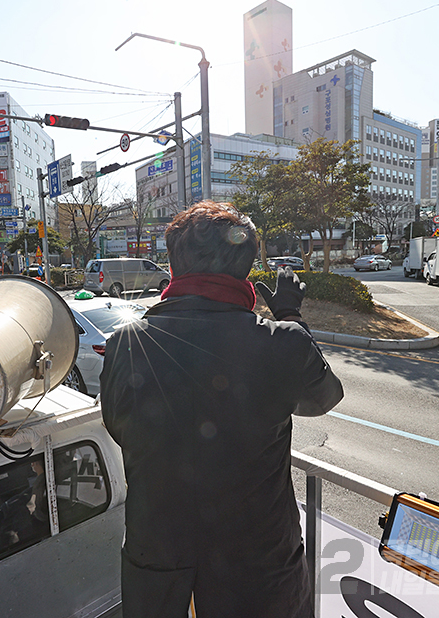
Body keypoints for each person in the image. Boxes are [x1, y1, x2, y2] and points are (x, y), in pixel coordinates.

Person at [100, 201, 344, 618]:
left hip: (158, 560)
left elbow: (118, 426)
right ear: (245, 269)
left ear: (174, 266)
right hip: (258, 567)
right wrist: (289, 314)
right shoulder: (281, 341)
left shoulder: (127, 342)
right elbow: (322, 398)